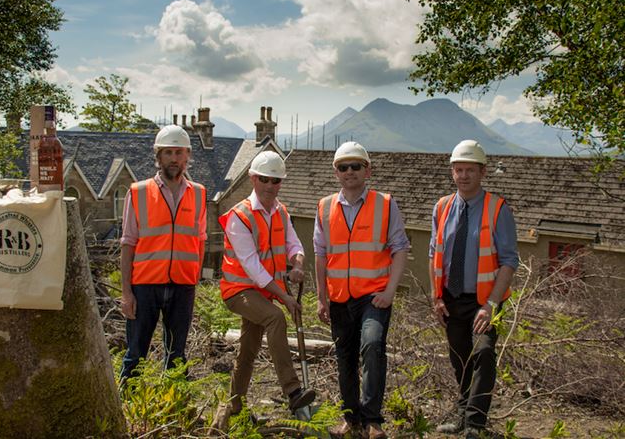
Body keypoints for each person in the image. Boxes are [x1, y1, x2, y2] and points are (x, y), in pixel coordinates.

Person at [211, 151, 316, 432]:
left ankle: (234, 407)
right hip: (239, 291)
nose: (270, 185)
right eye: (265, 179)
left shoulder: (281, 212)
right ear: (253, 179)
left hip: (263, 292)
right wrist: (285, 298)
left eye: (276, 180)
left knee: (248, 349)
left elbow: (295, 245)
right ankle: (293, 391)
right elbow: (253, 267)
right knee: (275, 318)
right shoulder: (239, 217)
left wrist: (297, 264)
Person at [314, 142, 410, 439]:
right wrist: (321, 298)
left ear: (367, 170)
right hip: (340, 296)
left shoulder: (384, 203)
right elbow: (320, 254)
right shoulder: (325, 206)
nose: (350, 172)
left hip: (374, 296)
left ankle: (372, 420)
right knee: (344, 356)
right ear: (336, 172)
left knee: (372, 346)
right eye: (343, 167)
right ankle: (350, 419)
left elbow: (400, 248)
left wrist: (391, 290)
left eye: (356, 166)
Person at [430, 140, 519, 438]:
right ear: (452, 172)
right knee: (460, 357)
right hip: (451, 298)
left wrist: (492, 304)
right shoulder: (442, 207)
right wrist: (436, 297)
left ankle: (475, 424)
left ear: (483, 171)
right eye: (458, 169)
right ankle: (462, 413)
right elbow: (434, 254)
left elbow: (508, 261)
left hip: (485, 300)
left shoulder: (497, 208)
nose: (463, 175)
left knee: (482, 353)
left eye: (469, 169)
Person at [119, 125, 207, 382]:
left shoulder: (199, 194)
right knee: (135, 355)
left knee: (177, 357)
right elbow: (128, 244)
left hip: (182, 286)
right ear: (158, 156)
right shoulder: (139, 192)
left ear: (187, 155)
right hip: (145, 286)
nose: (174, 158)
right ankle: (130, 410)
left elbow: (200, 241)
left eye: (179, 152)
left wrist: (194, 279)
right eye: (167, 152)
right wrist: (127, 292)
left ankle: (174, 410)